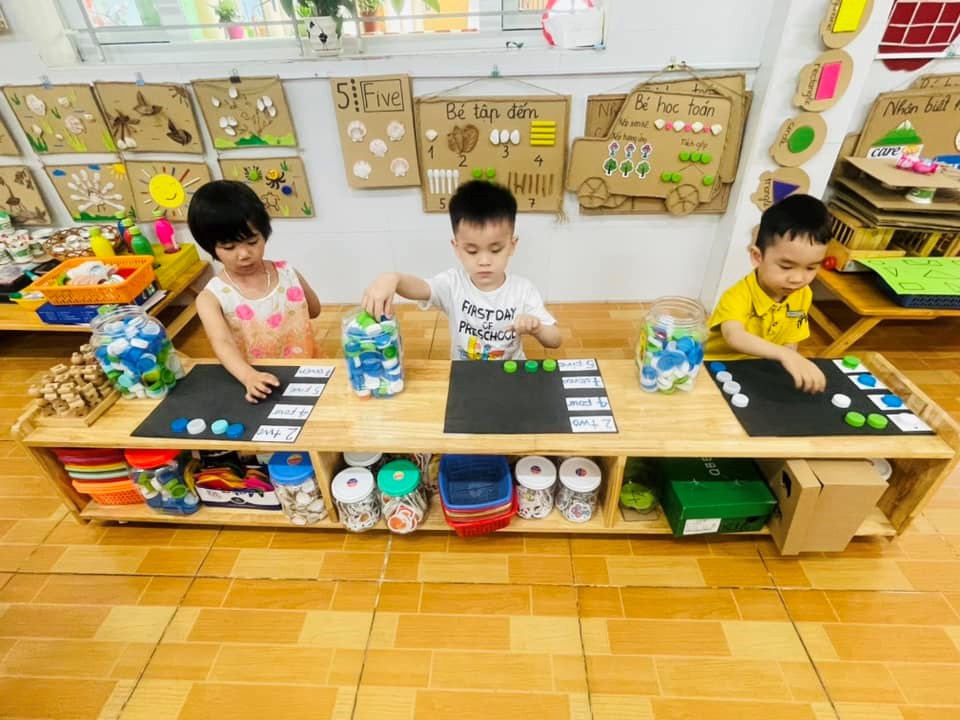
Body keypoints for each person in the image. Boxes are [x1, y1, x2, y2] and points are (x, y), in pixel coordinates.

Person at [362, 180, 561, 361]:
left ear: (512, 245)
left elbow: (555, 340)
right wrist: (393, 278)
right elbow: (421, 288)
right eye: (472, 251)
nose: (484, 261)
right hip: (464, 372)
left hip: (509, 372)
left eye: (495, 250)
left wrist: (537, 328)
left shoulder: (523, 290)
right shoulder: (452, 284)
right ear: (456, 248)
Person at [188, 180, 321, 403]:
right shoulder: (211, 297)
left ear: (264, 234)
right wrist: (248, 376)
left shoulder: (287, 273)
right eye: (229, 247)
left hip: (307, 365)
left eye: (252, 241)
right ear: (210, 247)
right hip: (257, 379)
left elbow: (314, 310)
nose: (243, 254)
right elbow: (222, 343)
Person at [705, 194, 830, 393]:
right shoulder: (737, 295)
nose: (798, 278)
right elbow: (734, 335)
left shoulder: (803, 295)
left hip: (760, 369)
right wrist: (785, 355)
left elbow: (792, 335)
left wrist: (791, 359)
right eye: (786, 267)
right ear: (757, 256)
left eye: (811, 268)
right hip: (715, 368)